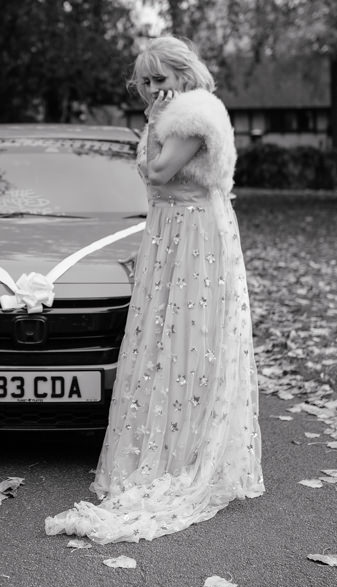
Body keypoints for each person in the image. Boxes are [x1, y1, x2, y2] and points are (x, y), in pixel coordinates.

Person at [45, 36, 263, 544]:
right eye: (144, 82)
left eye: (159, 79)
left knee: (190, 335)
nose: (151, 89)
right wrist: (150, 141)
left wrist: (150, 128)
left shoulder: (193, 115)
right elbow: (152, 175)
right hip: (168, 230)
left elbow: (159, 169)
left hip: (193, 232)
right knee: (164, 334)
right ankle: (164, 441)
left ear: (183, 76)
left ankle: (187, 452)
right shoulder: (172, 116)